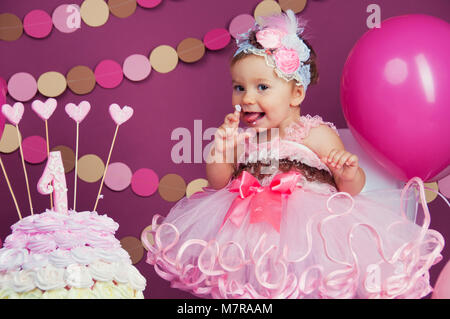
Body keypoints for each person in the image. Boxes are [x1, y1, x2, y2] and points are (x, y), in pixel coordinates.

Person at [143, 10, 444, 299]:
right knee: (254, 282)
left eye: (262, 87)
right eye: (239, 87)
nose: (247, 98)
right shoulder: (243, 138)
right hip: (248, 227)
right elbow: (221, 182)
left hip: (307, 225)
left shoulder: (315, 133)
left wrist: (347, 172)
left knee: (302, 279)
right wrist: (220, 153)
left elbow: (349, 191)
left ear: (296, 94)